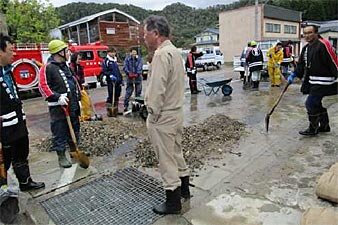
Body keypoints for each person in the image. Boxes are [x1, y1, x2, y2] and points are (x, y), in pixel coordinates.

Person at [144, 15, 190, 215]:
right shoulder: (175, 52)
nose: (144, 38)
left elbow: (156, 90)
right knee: (176, 152)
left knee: (166, 159)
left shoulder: (161, 55)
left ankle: (173, 201)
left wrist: (151, 113)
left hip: (163, 116)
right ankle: (185, 189)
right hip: (176, 111)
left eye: (145, 34)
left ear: (155, 34)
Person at [0, 33, 45, 191]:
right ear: (1, 52)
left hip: (18, 122)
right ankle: (4, 190)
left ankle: (25, 182)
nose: (14, 54)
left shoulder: (8, 71)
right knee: (4, 160)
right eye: (11, 51)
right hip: (3, 127)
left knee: (21, 153)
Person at [288, 24, 338, 136]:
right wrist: (294, 74)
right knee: (316, 104)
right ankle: (325, 126)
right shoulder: (306, 48)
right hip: (313, 81)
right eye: (305, 33)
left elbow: (334, 61)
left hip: (325, 82)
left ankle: (313, 128)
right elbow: (301, 64)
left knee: (310, 104)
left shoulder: (324, 45)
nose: (307, 35)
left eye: (310, 33)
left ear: (316, 33)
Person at [39, 40, 81, 168]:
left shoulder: (65, 66)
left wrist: (78, 96)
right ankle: (61, 156)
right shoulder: (48, 67)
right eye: (66, 51)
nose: (69, 53)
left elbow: (73, 82)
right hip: (58, 108)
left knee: (74, 129)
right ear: (60, 52)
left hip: (72, 104)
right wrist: (57, 97)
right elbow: (42, 86)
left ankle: (74, 152)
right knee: (60, 132)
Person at [102, 47, 123, 116]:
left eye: (114, 52)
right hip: (111, 81)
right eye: (112, 52)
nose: (113, 53)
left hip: (117, 80)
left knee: (117, 95)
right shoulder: (106, 61)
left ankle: (115, 110)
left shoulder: (115, 60)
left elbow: (118, 71)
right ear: (108, 53)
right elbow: (105, 71)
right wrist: (110, 75)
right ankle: (109, 110)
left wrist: (121, 79)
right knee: (111, 95)